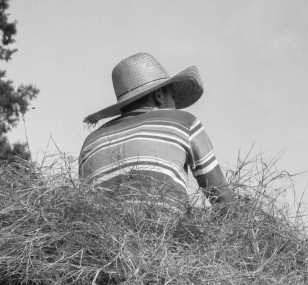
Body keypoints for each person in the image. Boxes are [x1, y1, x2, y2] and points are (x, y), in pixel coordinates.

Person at [78, 52, 235, 206]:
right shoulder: (184, 122)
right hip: (164, 227)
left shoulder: (90, 141)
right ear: (159, 95)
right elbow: (222, 199)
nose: (174, 105)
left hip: (100, 229)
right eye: (172, 96)